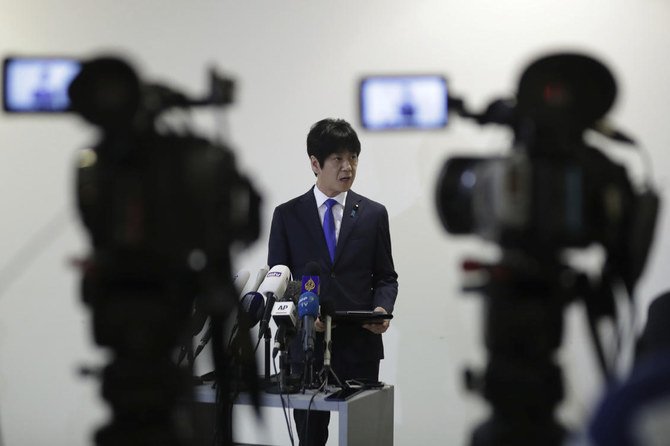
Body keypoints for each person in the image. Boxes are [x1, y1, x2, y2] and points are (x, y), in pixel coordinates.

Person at [267, 118, 399, 445]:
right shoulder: (287, 215)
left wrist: (382, 307)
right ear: (315, 163)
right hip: (306, 352)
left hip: (360, 349)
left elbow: (386, 276)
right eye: (338, 159)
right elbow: (278, 280)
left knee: (361, 438)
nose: (348, 167)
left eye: (353, 157)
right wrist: (303, 312)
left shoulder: (372, 214)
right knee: (311, 440)